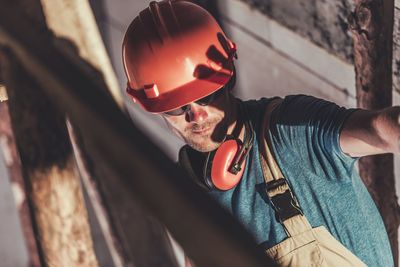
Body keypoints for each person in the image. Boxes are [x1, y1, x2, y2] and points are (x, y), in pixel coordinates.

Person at [122, 1, 395, 266]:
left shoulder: (289, 132)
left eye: (206, 96)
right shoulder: (189, 188)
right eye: (177, 107)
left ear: (229, 78)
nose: (196, 116)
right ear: (154, 109)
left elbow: (379, 130)